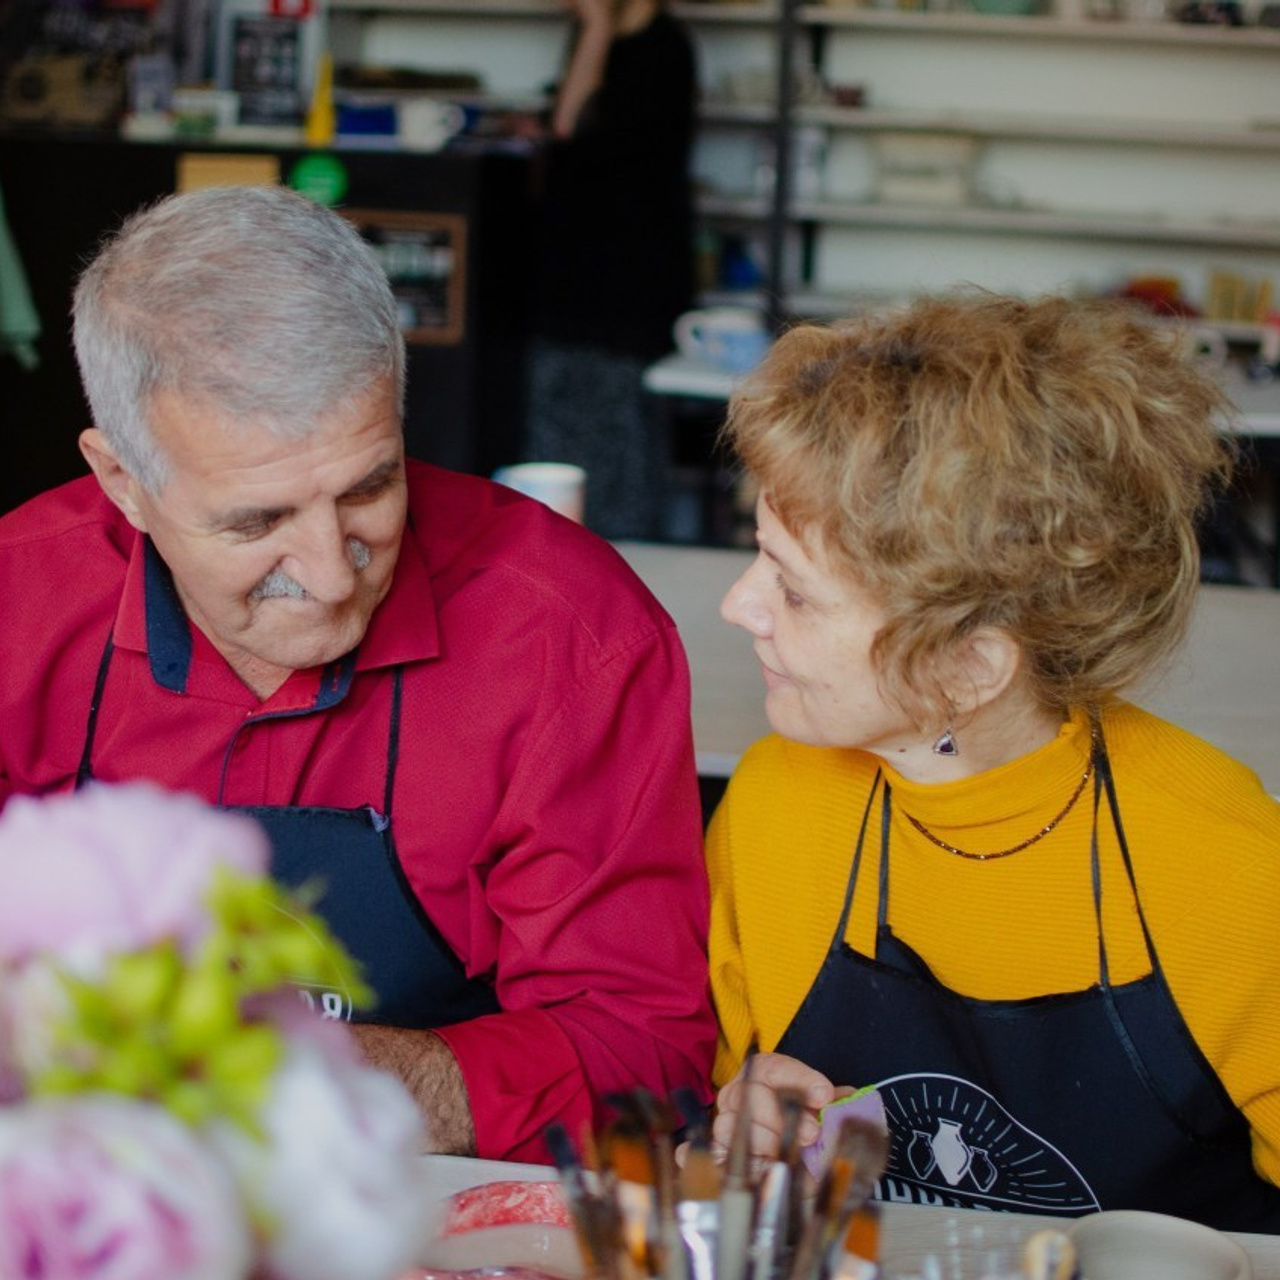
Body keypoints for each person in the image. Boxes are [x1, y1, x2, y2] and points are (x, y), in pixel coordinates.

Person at [0, 183, 715, 1163]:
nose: (334, 576)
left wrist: (318, 1076)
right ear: (123, 479)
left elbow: (644, 1055)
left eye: (370, 487)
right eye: (257, 522)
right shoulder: (20, 605)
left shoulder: (568, 636)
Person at [704, 292, 1280, 1230]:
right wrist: (744, 1131)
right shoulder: (775, 804)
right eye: (758, 555)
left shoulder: (1232, 870)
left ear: (969, 667)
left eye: (796, 592)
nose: (739, 606)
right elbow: (723, 1143)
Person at [522, 0, 697, 540]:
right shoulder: (595, 41)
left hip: (626, 290)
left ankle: (622, 563)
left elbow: (573, 128)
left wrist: (596, 25)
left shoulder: (665, 49)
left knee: (619, 453)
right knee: (557, 441)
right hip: (569, 281)